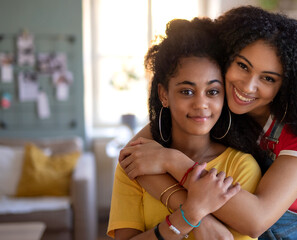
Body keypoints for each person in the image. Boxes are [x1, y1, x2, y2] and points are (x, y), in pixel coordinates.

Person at [119, 6, 297, 240]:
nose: (247, 86)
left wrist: (171, 160)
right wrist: (194, 215)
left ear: (285, 85)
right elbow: (133, 157)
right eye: (243, 66)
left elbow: (256, 220)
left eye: (267, 78)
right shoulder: (218, 106)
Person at [108, 17, 264, 240]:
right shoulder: (136, 163)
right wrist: (189, 215)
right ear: (164, 94)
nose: (201, 104)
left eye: (212, 92)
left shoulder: (241, 166)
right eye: (187, 92)